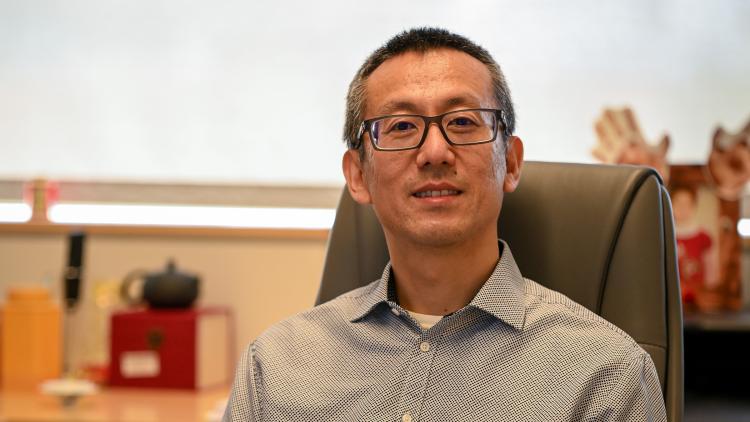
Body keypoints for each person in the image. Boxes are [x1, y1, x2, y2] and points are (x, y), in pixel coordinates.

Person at [224, 27, 666, 421]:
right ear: (358, 175)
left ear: (510, 163)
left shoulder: (606, 376)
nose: (435, 151)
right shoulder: (275, 370)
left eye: (461, 121)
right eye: (400, 126)